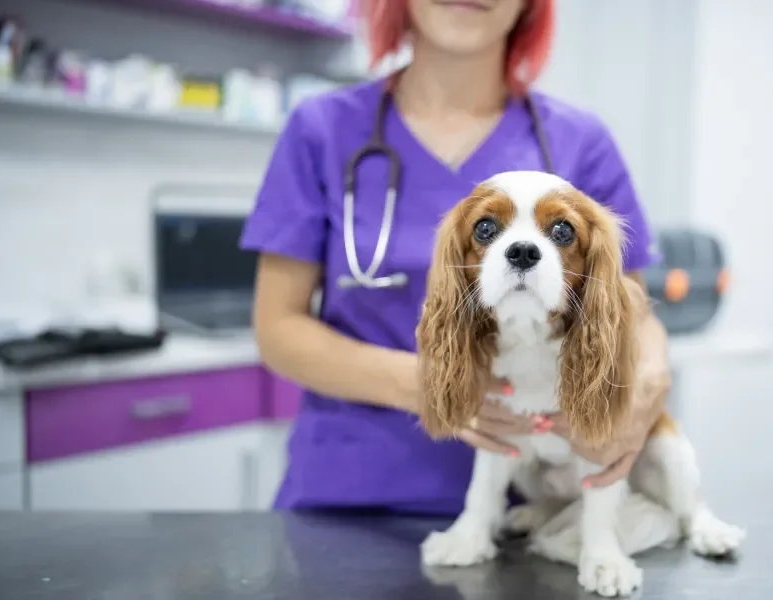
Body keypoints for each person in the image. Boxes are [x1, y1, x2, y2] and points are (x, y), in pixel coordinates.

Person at [240, 0, 671, 515]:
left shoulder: (579, 141)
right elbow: (277, 327)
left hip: (526, 511)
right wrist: (430, 385)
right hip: (348, 497)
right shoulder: (322, 130)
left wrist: (642, 390)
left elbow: (633, 313)